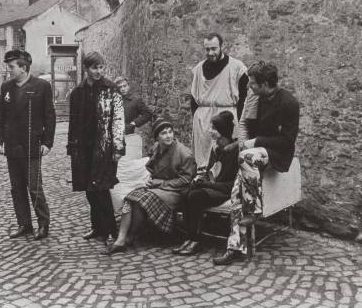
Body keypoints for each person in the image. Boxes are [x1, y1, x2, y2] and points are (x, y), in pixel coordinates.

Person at [213, 60, 300, 265]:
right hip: (254, 156)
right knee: (236, 194)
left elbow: (287, 141)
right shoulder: (255, 98)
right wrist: (245, 144)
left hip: (277, 154)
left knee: (247, 156)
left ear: (265, 83)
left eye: (253, 84)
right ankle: (235, 246)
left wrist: (255, 143)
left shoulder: (289, 103)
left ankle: (254, 210)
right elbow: (244, 123)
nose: (249, 87)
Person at [104, 118, 197, 255]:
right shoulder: (156, 148)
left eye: (170, 132)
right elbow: (152, 167)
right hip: (158, 188)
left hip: (176, 192)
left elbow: (185, 180)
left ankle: (131, 235)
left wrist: (159, 183)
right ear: (157, 137)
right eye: (164, 133)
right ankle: (122, 239)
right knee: (131, 198)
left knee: (141, 200)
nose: (168, 136)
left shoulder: (184, 154)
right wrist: (151, 180)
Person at [0, 49, 56, 241]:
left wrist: (47, 142)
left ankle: (43, 224)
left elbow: (50, 116)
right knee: (16, 187)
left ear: (23, 67)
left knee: (34, 187)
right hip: (12, 146)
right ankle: (24, 224)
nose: (9, 70)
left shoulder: (42, 86)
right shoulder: (6, 87)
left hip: (32, 144)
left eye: (11, 67)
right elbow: (0, 116)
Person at [67, 51, 125, 245]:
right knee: (89, 189)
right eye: (94, 67)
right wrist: (72, 147)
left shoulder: (111, 89)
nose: (98, 71)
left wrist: (118, 147)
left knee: (101, 188)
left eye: (101, 67)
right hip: (83, 148)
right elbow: (73, 123)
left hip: (104, 146)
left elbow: (118, 120)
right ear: (86, 69)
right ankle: (97, 226)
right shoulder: (77, 93)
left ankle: (110, 230)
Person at [173, 111, 239, 256]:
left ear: (222, 131)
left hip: (226, 190)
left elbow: (230, 184)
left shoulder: (235, 152)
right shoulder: (215, 149)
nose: (210, 131)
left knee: (195, 196)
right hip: (213, 187)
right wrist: (200, 180)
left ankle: (196, 240)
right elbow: (210, 172)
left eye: (214, 128)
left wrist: (206, 184)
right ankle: (188, 237)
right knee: (185, 193)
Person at [190, 32, 248, 169]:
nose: (210, 53)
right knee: (203, 161)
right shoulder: (198, 69)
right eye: (207, 49)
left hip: (226, 120)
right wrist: (197, 119)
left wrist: (239, 125)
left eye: (214, 49)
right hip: (203, 121)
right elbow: (193, 99)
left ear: (222, 46)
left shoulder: (236, 67)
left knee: (225, 159)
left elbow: (243, 99)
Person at [110, 76, 154, 213]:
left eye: (124, 86)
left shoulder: (135, 100)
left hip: (129, 138)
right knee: (116, 170)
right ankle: (117, 202)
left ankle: (132, 200)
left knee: (129, 169)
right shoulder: (112, 101)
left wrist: (134, 123)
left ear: (128, 86)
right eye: (120, 87)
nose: (123, 89)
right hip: (114, 139)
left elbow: (147, 113)